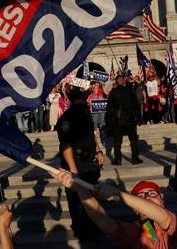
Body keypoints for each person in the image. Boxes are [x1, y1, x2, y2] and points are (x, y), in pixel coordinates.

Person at [50, 169, 177, 248]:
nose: (148, 197)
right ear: (135, 209)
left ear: (162, 202)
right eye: (141, 196)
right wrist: (79, 190)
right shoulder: (134, 231)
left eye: (152, 194)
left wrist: (118, 194)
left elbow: (164, 217)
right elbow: (103, 221)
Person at [55, 87, 105, 241]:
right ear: (73, 101)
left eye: (84, 99)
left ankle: (94, 224)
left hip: (89, 163)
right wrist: (73, 168)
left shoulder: (85, 116)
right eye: (80, 99)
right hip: (75, 163)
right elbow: (66, 145)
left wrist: (99, 151)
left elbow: (91, 135)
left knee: (91, 196)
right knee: (76, 199)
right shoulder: (65, 119)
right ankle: (80, 228)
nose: (83, 101)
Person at [107, 74, 143, 165]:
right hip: (130, 119)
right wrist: (139, 118)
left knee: (117, 141)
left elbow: (109, 108)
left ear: (116, 82)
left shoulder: (113, 92)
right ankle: (135, 158)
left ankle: (118, 159)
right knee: (133, 140)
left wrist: (109, 121)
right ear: (123, 81)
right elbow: (137, 105)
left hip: (118, 121)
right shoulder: (129, 91)